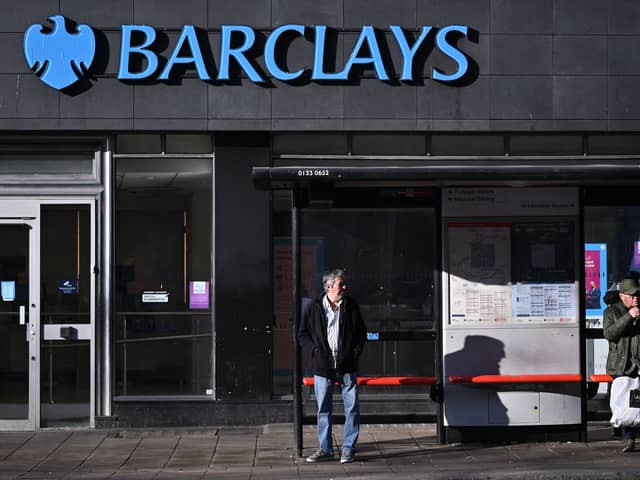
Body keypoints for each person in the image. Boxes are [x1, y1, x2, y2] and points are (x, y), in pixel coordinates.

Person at [298, 268, 367, 464]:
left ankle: (348, 449)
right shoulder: (314, 307)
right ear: (328, 287)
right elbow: (302, 335)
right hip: (323, 367)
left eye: (344, 284)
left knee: (352, 408)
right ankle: (325, 449)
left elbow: (362, 333)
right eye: (340, 284)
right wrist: (315, 351)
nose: (344, 287)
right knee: (323, 409)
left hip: (347, 366)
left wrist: (355, 352)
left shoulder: (351, 306)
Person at [603, 274, 640, 452]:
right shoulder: (611, 312)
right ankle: (628, 438)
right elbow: (610, 333)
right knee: (625, 402)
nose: (636, 298)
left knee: (636, 402)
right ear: (623, 295)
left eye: (638, 294)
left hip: (637, 363)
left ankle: (631, 435)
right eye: (632, 295)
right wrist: (629, 317)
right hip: (621, 365)